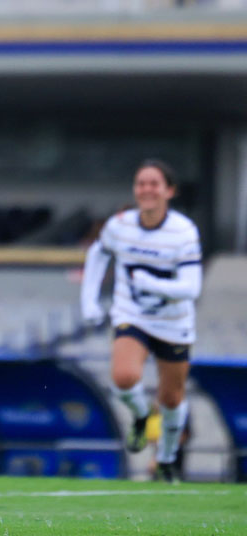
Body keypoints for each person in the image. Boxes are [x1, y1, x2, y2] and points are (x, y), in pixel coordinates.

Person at [80, 159, 201, 483]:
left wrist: (151, 283)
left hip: (174, 323)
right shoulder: (121, 225)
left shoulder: (183, 231)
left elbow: (191, 287)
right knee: (123, 376)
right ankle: (141, 416)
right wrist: (89, 301)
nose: (146, 189)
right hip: (132, 315)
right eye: (141, 183)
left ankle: (166, 457)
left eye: (154, 183)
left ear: (169, 191)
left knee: (172, 397)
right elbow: (97, 254)